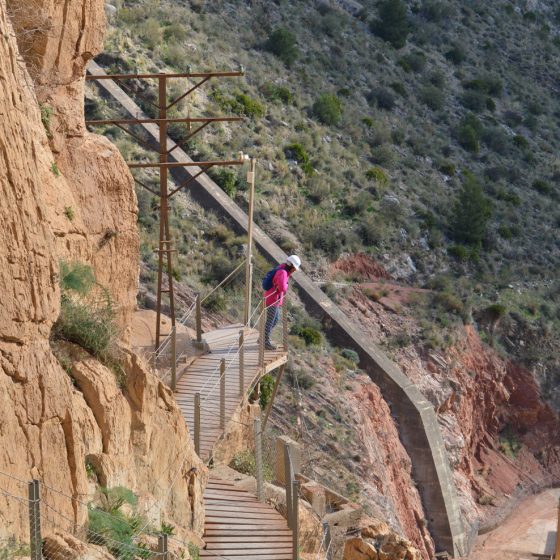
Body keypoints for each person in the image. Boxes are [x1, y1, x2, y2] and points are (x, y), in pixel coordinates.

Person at [263, 255, 301, 350]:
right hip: (273, 299)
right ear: (291, 265)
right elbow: (282, 288)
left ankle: (263, 338)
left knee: (275, 319)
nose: (294, 270)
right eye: (294, 268)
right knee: (271, 320)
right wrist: (287, 285)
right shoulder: (283, 272)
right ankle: (265, 342)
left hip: (273, 298)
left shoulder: (281, 268)